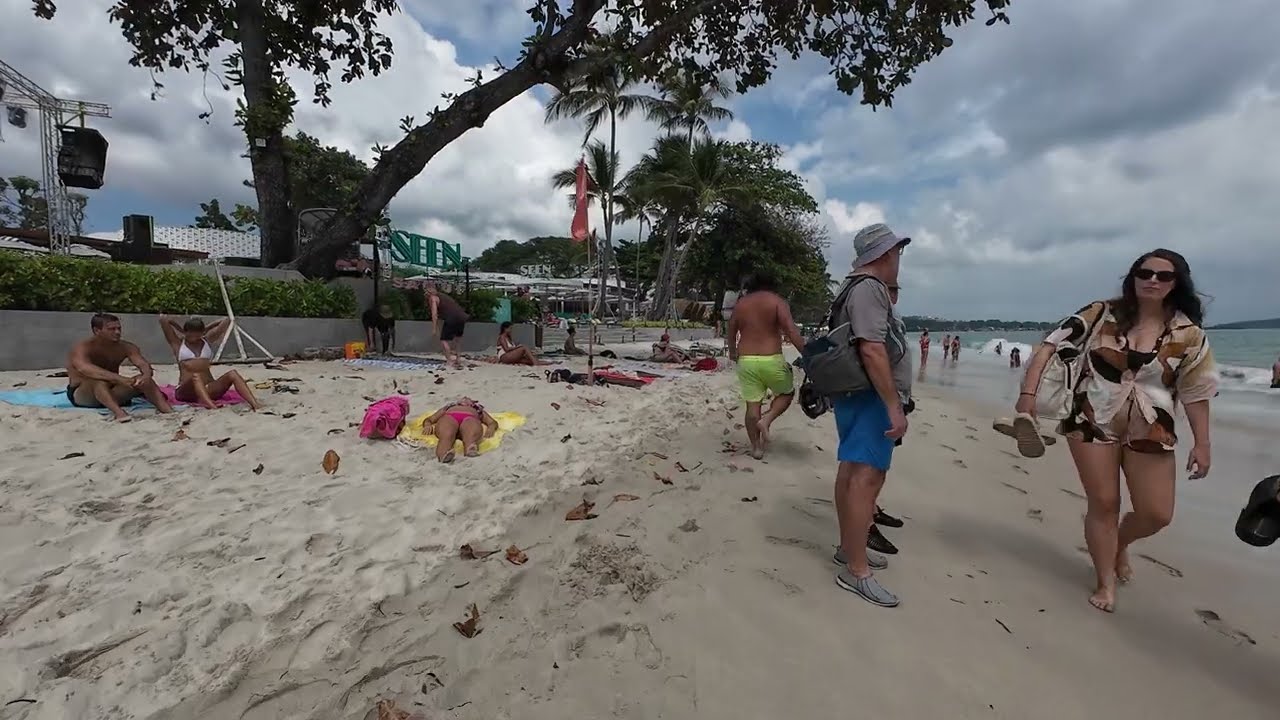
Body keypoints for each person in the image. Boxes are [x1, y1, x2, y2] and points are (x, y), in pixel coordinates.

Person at [1014, 248, 1217, 613]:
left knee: (1157, 513)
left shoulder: (1188, 333)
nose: (1152, 280)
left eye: (1163, 275)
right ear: (1133, 276)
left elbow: (1196, 390)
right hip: (1091, 418)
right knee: (1104, 503)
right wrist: (1027, 398)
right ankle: (1105, 580)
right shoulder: (1101, 313)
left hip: (1153, 427)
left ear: (1177, 283)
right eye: (1144, 272)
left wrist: (1203, 443)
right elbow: (1049, 345)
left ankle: (1119, 543)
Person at [828, 223, 912, 608]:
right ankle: (857, 571)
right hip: (869, 396)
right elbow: (872, 349)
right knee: (866, 476)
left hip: (857, 394)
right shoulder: (870, 289)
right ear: (883, 255)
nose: (899, 259)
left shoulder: (856, 288)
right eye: (897, 252)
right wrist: (894, 405)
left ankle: (850, 549)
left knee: (852, 471)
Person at [726, 271, 807, 460]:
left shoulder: (741, 304)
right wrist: (807, 353)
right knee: (786, 393)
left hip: (746, 360)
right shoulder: (777, 301)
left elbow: (731, 330)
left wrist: (732, 353)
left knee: (752, 406)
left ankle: (756, 448)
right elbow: (790, 330)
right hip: (771, 358)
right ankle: (767, 419)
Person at [66, 313, 174, 421]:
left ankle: (167, 411)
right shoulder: (82, 348)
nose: (117, 332)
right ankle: (119, 413)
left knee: (144, 380)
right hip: (83, 395)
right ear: (97, 331)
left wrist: (145, 375)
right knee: (98, 381)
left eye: (119, 328)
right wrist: (121, 379)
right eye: (111, 329)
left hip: (113, 390)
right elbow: (85, 369)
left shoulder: (126, 347)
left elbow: (142, 364)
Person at [158, 315, 262, 411]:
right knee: (195, 376)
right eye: (190, 333)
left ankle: (255, 404)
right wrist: (181, 329)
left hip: (208, 387)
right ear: (186, 332)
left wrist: (206, 329)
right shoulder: (178, 344)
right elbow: (163, 319)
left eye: (196, 333)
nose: (193, 336)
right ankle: (211, 406)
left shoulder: (207, 341)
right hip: (186, 391)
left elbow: (227, 320)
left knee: (233, 373)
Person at [420, 397, 499, 463]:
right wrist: (427, 425)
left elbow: (492, 422)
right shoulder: (449, 407)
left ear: (472, 402)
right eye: (463, 398)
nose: (465, 398)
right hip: (450, 417)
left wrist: (491, 428)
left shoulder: (478, 409)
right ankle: (443, 454)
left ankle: (470, 450)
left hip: (470, 418)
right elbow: (430, 419)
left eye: (468, 398)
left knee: (470, 434)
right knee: (447, 435)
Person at [426, 281, 468, 368]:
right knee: (457, 339)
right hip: (461, 316)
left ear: (428, 290)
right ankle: (458, 359)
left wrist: (434, 328)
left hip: (451, 317)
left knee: (443, 340)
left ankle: (449, 361)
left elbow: (434, 314)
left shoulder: (433, 298)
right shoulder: (443, 296)